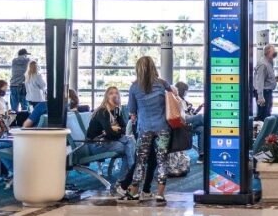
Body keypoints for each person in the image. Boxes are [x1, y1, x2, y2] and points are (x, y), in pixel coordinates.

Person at [124, 56, 172, 203]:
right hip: (163, 128)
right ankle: (160, 194)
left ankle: (134, 192)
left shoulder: (134, 87)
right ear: (153, 67)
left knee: (141, 160)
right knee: (162, 160)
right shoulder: (163, 84)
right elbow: (172, 101)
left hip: (144, 128)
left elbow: (131, 110)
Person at [86, 87, 136, 194]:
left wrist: (115, 129)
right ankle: (130, 176)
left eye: (116, 93)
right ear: (106, 97)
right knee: (129, 146)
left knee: (129, 143)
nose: (114, 95)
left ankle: (123, 181)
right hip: (96, 144)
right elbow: (109, 133)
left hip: (108, 141)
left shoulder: (117, 110)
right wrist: (113, 130)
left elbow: (124, 129)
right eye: (111, 93)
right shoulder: (103, 111)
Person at [175, 81, 205, 160]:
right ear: (182, 90)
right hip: (183, 121)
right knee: (201, 116)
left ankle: (202, 154)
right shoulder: (176, 100)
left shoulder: (184, 101)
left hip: (189, 121)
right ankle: (215, 127)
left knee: (202, 129)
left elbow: (192, 114)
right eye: (186, 90)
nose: (187, 92)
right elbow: (183, 115)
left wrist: (199, 108)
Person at [253, 44, 278, 120]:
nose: (275, 52)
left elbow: (267, 77)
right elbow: (259, 81)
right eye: (273, 51)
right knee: (262, 115)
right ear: (268, 52)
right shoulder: (263, 64)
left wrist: (275, 79)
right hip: (264, 93)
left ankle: (265, 131)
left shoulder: (270, 62)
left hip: (268, 92)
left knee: (267, 114)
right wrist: (260, 96)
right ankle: (260, 131)